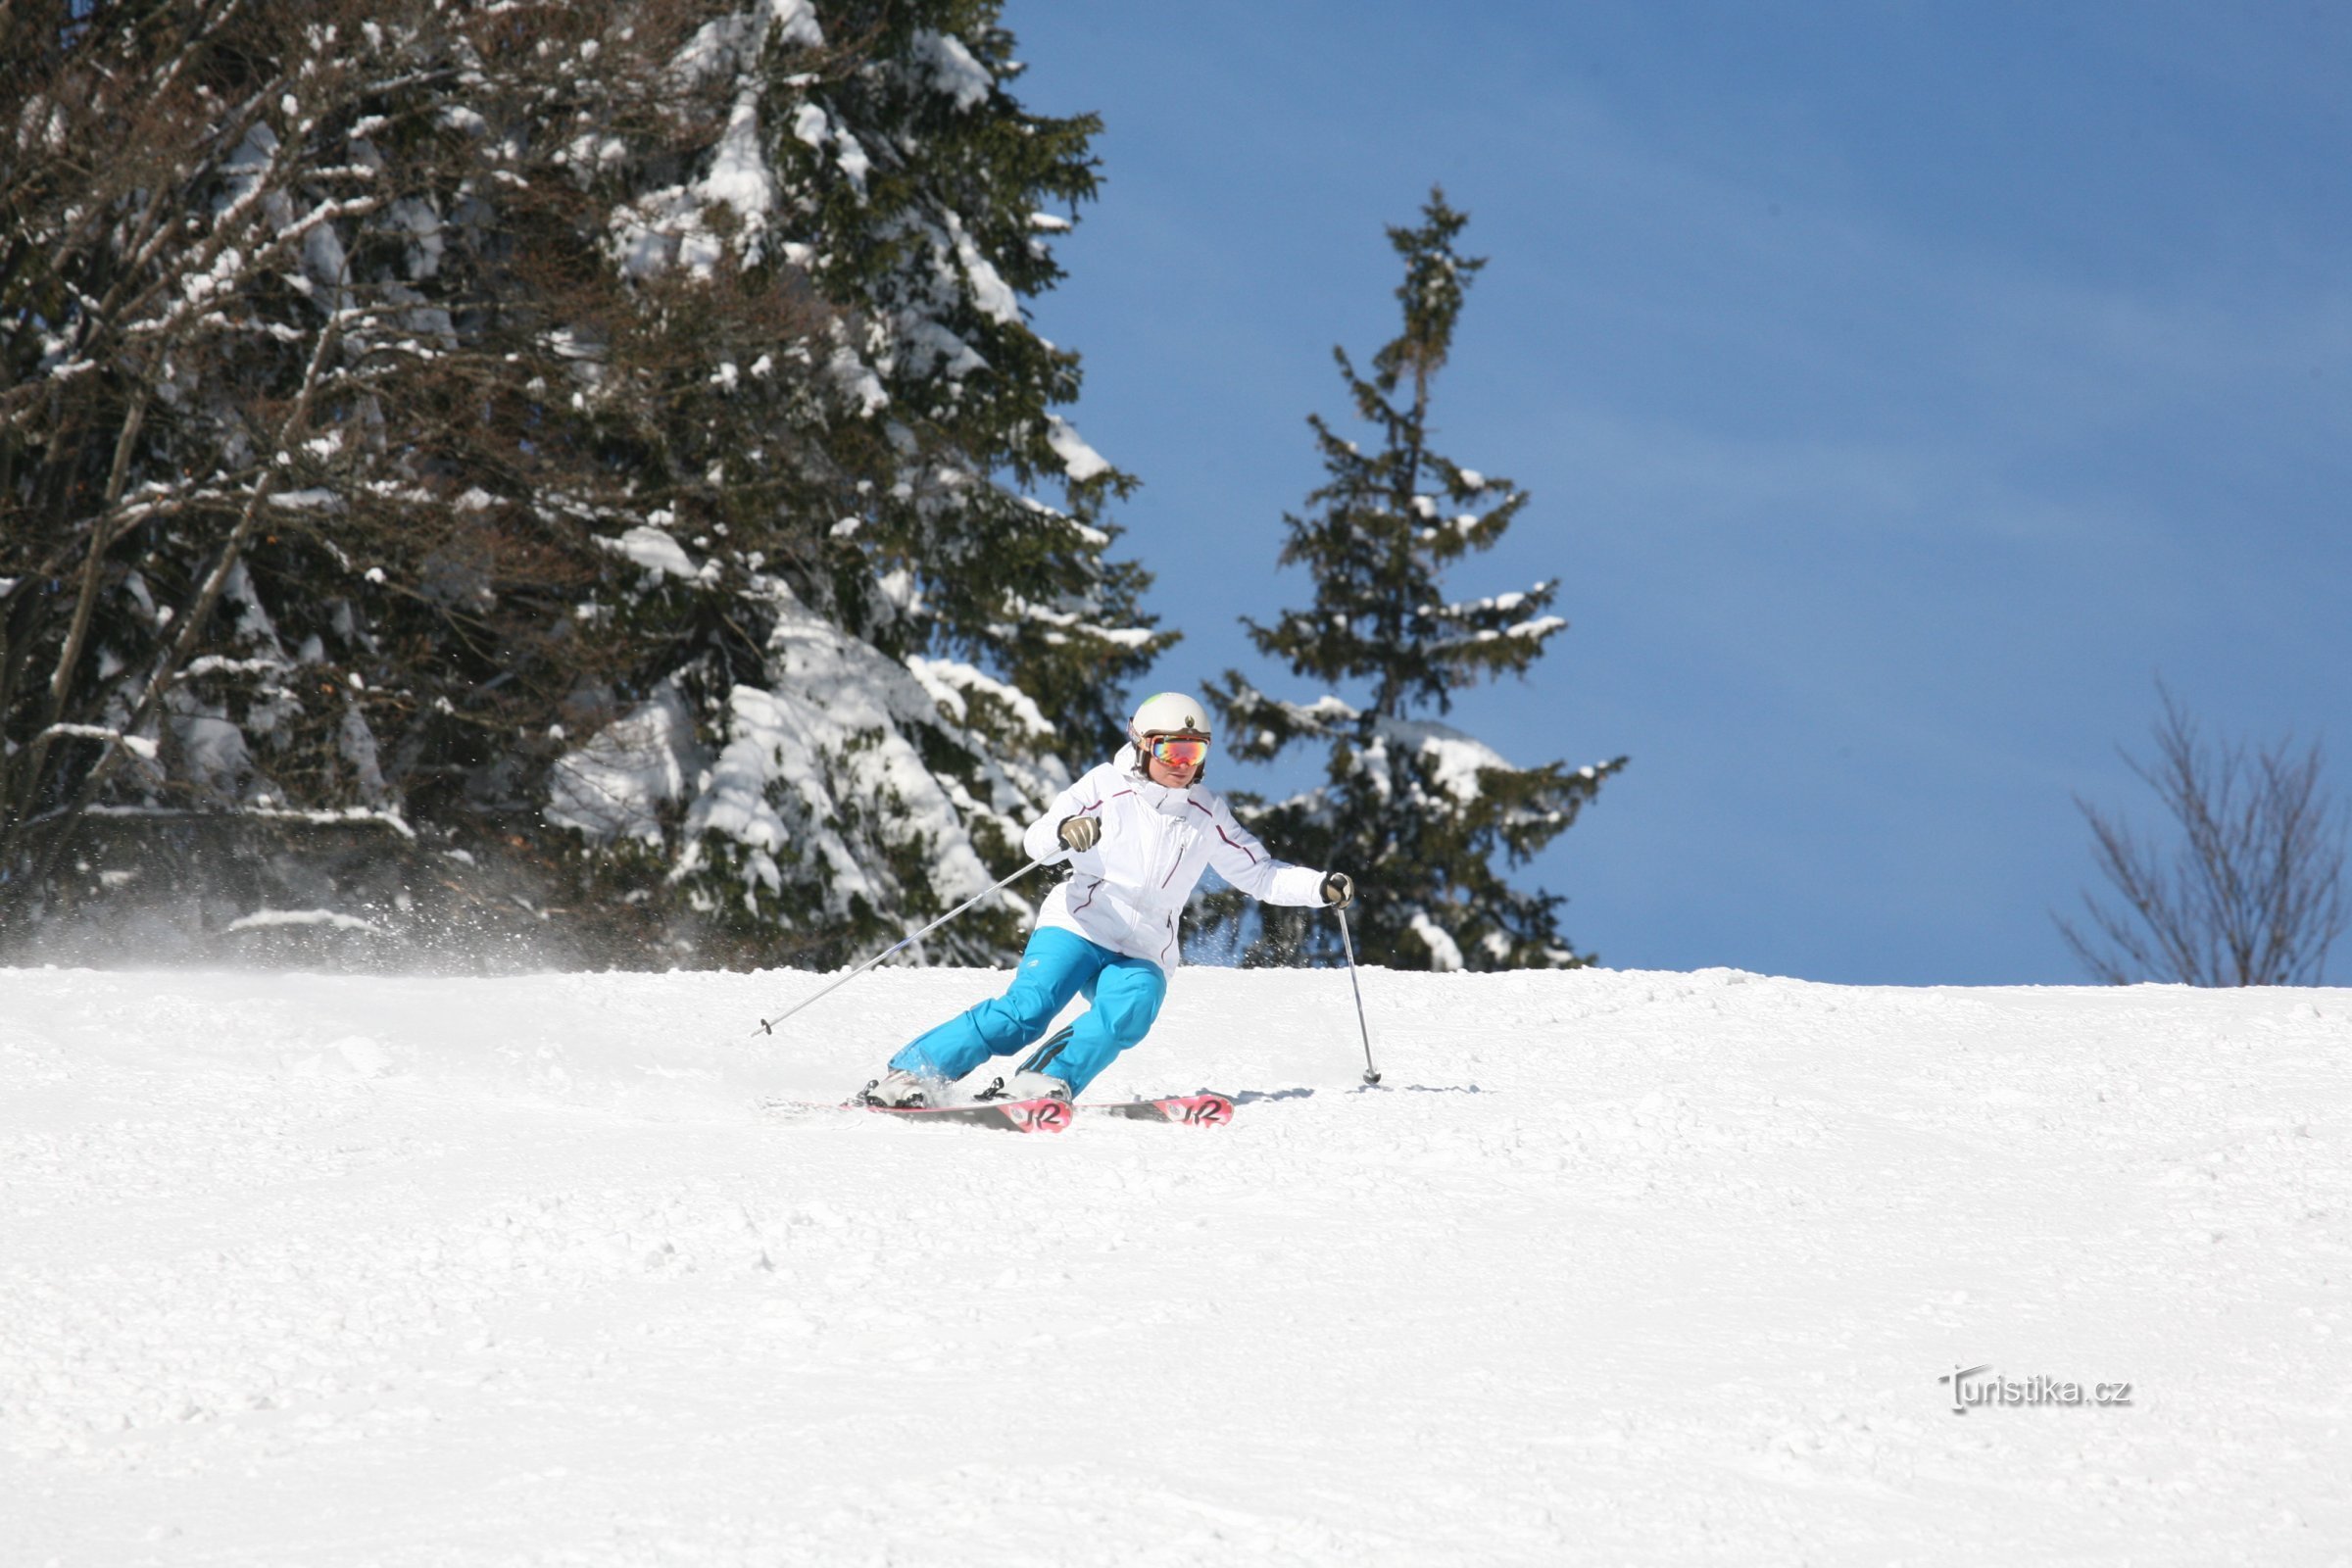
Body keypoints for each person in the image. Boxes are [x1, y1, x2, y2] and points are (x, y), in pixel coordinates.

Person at [860, 692, 1355, 1106]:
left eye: (1194, 754)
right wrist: (1065, 832)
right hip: (1079, 925)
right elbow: (1037, 842)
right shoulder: (1105, 786)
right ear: (1142, 746)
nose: (1182, 766)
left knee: (1130, 1011)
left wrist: (1318, 886)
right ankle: (911, 1075)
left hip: (1145, 947)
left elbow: (1261, 875)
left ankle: (1038, 1081)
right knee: (1026, 1011)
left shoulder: (1207, 813)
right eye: (1171, 752)